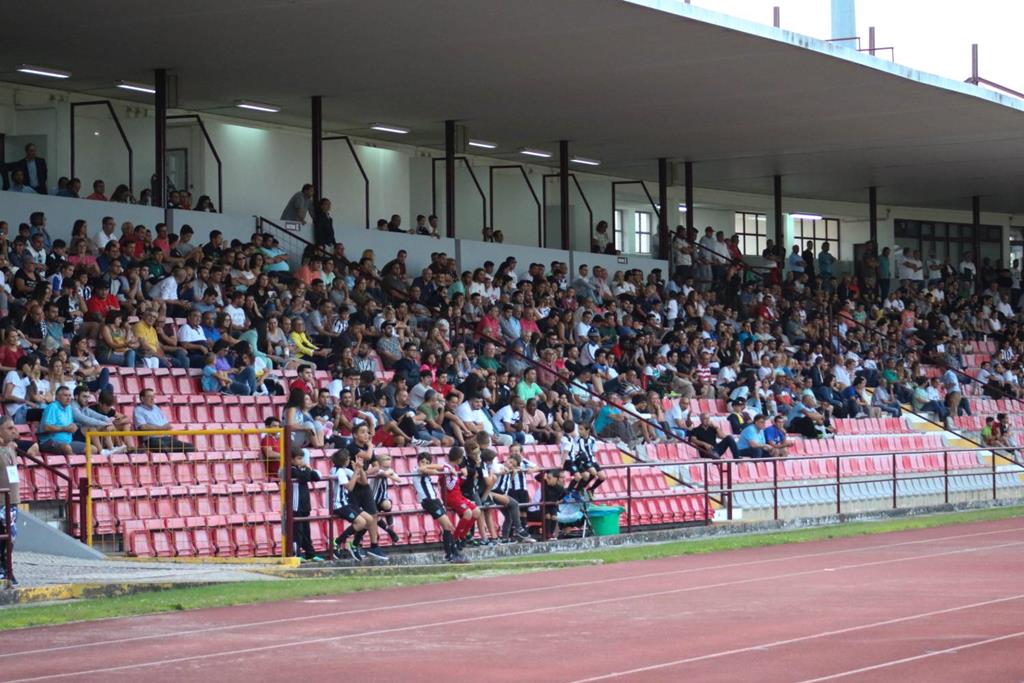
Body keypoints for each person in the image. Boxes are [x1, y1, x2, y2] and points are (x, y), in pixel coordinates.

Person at [414, 452, 466, 563]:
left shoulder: (426, 469)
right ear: (418, 462)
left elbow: (442, 466)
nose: (424, 464)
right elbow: (423, 470)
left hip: (435, 500)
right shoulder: (416, 469)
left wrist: (449, 469)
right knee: (447, 526)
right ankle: (450, 555)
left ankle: (454, 554)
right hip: (428, 501)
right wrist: (436, 471)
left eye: (427, 462)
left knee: (449, 526)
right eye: (422, 462)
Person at [440, 446, 482, 550]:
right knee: (467, 513)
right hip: (450, 497)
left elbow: (458, 484)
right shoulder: (446, 468)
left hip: (458, 495)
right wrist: (454, 476)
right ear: (459, 458)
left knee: (476, 511)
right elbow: (449, 486)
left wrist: (463, 476)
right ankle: (455, 538)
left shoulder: (457, 468)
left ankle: (463, 536)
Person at [288, 448, 322, 561]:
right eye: (298, 458)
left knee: (306, 531)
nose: (301, 461)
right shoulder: (291, 470)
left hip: (305, 505)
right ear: (291, 459)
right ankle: (295, 554)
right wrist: (307, 468)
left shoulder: (302, 469)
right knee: (297, 531)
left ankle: (310, 553)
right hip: (295, 505)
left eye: (302, 458)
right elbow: (304, 477)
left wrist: (307, 469)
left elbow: (316, 477)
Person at [0, 416, 21, 586]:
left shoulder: (11, 447)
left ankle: (7, 569)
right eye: (9, 428)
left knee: (11, 537)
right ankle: (4, 569)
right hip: (1, 501)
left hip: (12, 500)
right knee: (4, 537)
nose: (13, 431)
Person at [38, 386, 84, 455]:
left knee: (92, 449)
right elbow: (46, 427)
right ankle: (72, 463)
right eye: (65, 395)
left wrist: (74, 427)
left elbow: (70, 426)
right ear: (57, 397)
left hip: (68, 442)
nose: (69, 398)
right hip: (49, 441)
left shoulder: (69, 408)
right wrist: (64, 428)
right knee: (67, 448)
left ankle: (78, 463)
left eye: (69, 395)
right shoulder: (52, 407)